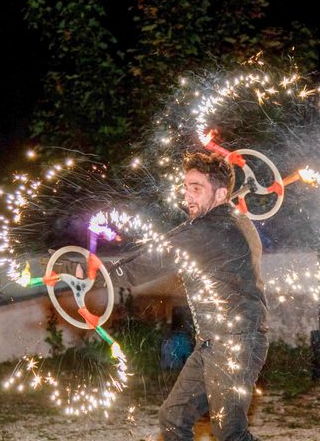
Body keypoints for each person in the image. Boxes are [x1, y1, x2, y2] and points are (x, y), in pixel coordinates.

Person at [98, 152, 269, 441]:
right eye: (187, 187)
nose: (188, 196)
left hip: (237, 343)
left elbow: (151, 260)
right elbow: (168, 243)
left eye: (197, 188)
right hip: (211, 341)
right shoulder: (228, 220)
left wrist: (95, 274)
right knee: (173, 418)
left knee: (230, 433)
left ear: (221, 193)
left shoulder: (212, 230)